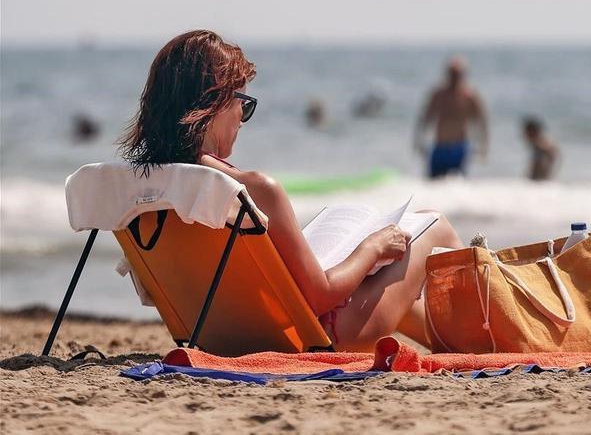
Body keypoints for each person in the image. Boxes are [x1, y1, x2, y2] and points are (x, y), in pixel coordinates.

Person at [118, 30, 464, 351]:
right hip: (321, 337)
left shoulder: (147, 187)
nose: (241, 117)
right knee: (433, 224)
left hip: (221, 336)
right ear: (216, 103)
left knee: (398, 295)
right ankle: (498, 325)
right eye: (243, 103)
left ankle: (468, 342)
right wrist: (372, 247)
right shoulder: (251, 189)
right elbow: (321, 296)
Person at [414, 57, 489, 179]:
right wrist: (418, 141)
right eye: (452, 73)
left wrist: (484, 147)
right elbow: (425, 118)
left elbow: (482, 122)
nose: (454, 77)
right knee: (433, 181)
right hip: (440, 146)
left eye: (457, 74)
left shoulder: (470, 96)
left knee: (459, 181)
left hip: (459, 148)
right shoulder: (438, 95)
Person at [522, 116, 559, 181]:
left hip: (539, 177)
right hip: (540, 177)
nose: (524, 135)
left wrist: (545, 172)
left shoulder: (540, 143)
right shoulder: (541, 142)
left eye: (526, 132)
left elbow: (552, 154)